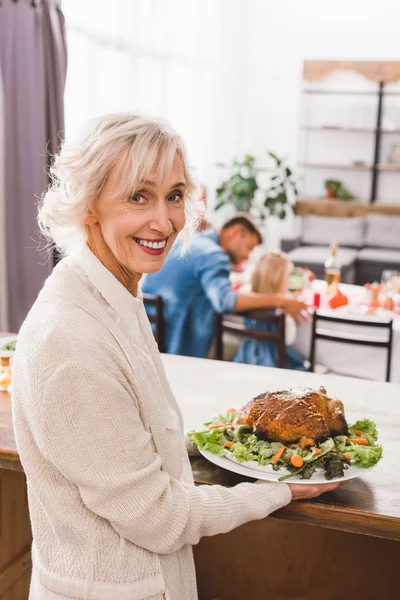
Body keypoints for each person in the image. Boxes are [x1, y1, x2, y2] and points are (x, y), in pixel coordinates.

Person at [12, 114, 341, 600]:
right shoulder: (69, 339)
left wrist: (226, 444)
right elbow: (160, 518)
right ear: (87, 205)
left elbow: (129, 438)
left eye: (174, 195)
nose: (164, 221)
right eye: (138, 196)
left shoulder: (114, 293)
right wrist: (277, 490)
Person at [142, 214, 310, 358]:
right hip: (178, 344)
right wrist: (281, 299)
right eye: (249, 248)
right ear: (234, 233)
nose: (247, 256)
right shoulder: (214, 255)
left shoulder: (189, 241)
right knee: (251, 352)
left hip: (149, 332)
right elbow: (225, 301)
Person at [234, 250, 308, 369]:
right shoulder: (280, 312)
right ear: (279, 280)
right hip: (273, 360)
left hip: (246, 357)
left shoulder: (247, 301)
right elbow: (288, 339)